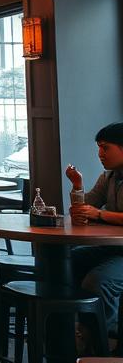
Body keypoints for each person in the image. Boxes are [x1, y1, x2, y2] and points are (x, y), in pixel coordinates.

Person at [66, 122, 123, 341]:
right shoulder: (107, 177)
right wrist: (77, 185)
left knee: (98, 281)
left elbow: (94, 212)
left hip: (118, 251)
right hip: (112, 247)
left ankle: (105, 341)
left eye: (105, 147)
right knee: (66, 262)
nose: (100, 153)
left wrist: (99, 214)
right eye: (99, 147)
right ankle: (77, 330)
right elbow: (84, 208)